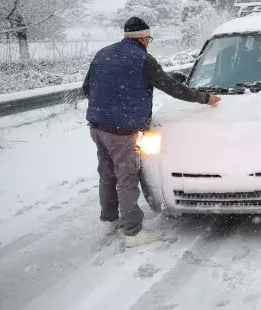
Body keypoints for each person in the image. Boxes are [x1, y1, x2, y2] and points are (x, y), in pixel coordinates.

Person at [82, 17, 221, 247]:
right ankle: (133, 232)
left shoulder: (102, 54)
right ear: (144, 38)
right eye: (149, 38)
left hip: (97, 126)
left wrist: (107, 106)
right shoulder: (143, 59)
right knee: (127, 177)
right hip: (122, 130)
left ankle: (109, 220)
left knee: (107, 174)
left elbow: (87, 88)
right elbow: (172, 87)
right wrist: (204, 98)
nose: (149, 42)